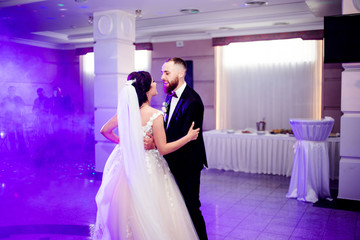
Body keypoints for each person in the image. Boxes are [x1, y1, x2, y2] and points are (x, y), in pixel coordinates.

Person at [93, 71, 200, 240]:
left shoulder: (127, 111)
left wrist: (126, 142)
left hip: (126, 165)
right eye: (153, 81)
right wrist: (188, 137)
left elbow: (105, 130)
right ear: (147, 88)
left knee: (126, 207)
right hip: (147, 167)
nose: (156, 83)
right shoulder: (155, 115)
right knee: (152, 208)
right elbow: (163, 149)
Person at [145, 57, 208, 240]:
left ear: (181, 73)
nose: (162, 76)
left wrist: (156, 144)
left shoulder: (193, 101)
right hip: (170, 160)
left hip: (187, 164)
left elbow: (186, 137)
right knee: (175, 208)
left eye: (166, 72)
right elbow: (168, 127)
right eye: (162, 72)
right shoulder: (169, 95)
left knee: (190, 207)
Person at [1, 86, 26, 153]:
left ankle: (22, 151)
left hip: (18, 119)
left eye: (13, 90)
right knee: (11, 136)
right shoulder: (5, 99)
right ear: (8, 91)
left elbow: (23, 107)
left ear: (15, 91)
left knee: (20, 135)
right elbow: (2, 109)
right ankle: (13, 151)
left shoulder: (18, 98)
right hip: (9, 120)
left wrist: (22, 116)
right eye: (10, 90)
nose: (11, 91)